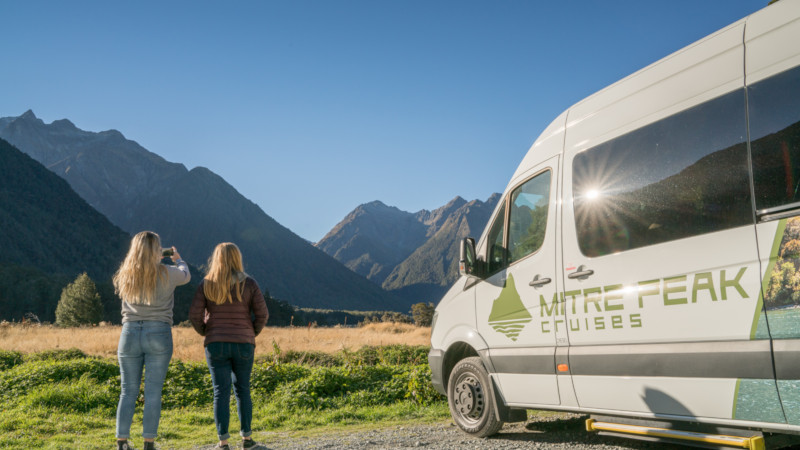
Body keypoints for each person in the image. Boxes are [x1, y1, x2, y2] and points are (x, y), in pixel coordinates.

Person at [112, 231, 191, 450]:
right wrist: (177, 258)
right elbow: (186, 275)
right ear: (157, 250)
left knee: (127, 391)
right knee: (153, 392)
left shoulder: (125, 274)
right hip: (158, 332)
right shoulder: (168, 272)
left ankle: (122, 443)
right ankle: (148, 443)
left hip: (128, 334)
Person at [189, 242, 269, 450]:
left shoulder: (206, 283)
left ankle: (223, 442)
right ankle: (247, 440)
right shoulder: (249, 284)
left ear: (216, 258)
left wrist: (206, 331)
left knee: (220, 392)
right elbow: (263, 314)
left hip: (216, 344)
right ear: (237, 258)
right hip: (244, 343)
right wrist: (251, 332)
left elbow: (194, 315)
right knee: (243, 390)